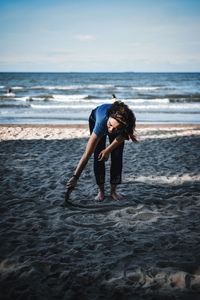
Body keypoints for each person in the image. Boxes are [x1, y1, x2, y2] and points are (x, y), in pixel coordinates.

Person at [66, 100, 137, 201]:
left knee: (117, 156)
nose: (111, 130)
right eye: (110, 125)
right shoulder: (102, 123)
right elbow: (86, 155)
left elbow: (122, 136)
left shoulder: (127, 123)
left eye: (116, 128)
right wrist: (75, 177)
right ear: (109, 117)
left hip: (116, 123)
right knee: (98, 155)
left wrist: (107, 150)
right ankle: (101, 191)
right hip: (96, 118)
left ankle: (113, 191)